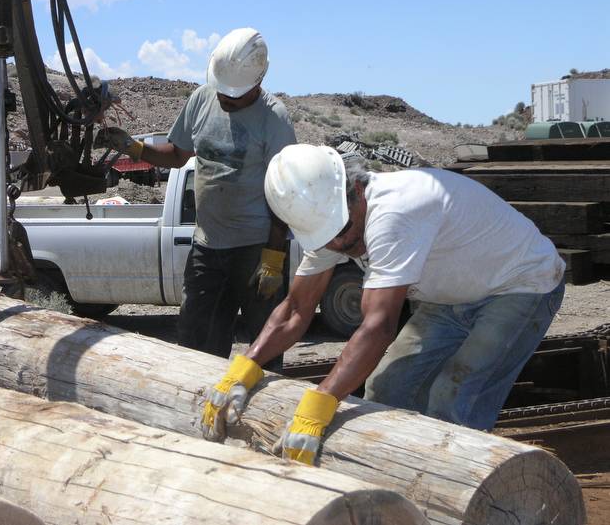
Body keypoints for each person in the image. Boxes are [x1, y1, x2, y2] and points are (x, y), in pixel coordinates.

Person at [201, 143, 566, 465]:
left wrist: (319, 404)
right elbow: (296, 311)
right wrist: (243, 370)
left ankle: (450, 493)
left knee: (453, 397)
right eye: (329, 240)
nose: (342, 247)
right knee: (387, 388)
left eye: (344, 234)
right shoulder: (332, 224)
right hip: (452, 296)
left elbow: (378, 327)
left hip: (522, 283)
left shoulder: (395, 213)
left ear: (357, 190)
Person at [100, 28, 296, 362]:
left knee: (266, 348)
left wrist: (274, 257)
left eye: (233, 95)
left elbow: (284, 190)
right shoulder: (202, 99)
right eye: (222, 91)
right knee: (197, 344)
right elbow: (177, 154)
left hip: (256, 250)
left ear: (257, 81)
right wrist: (134, 147)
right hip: (207, 246)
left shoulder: (274, 119)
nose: (225, 98)